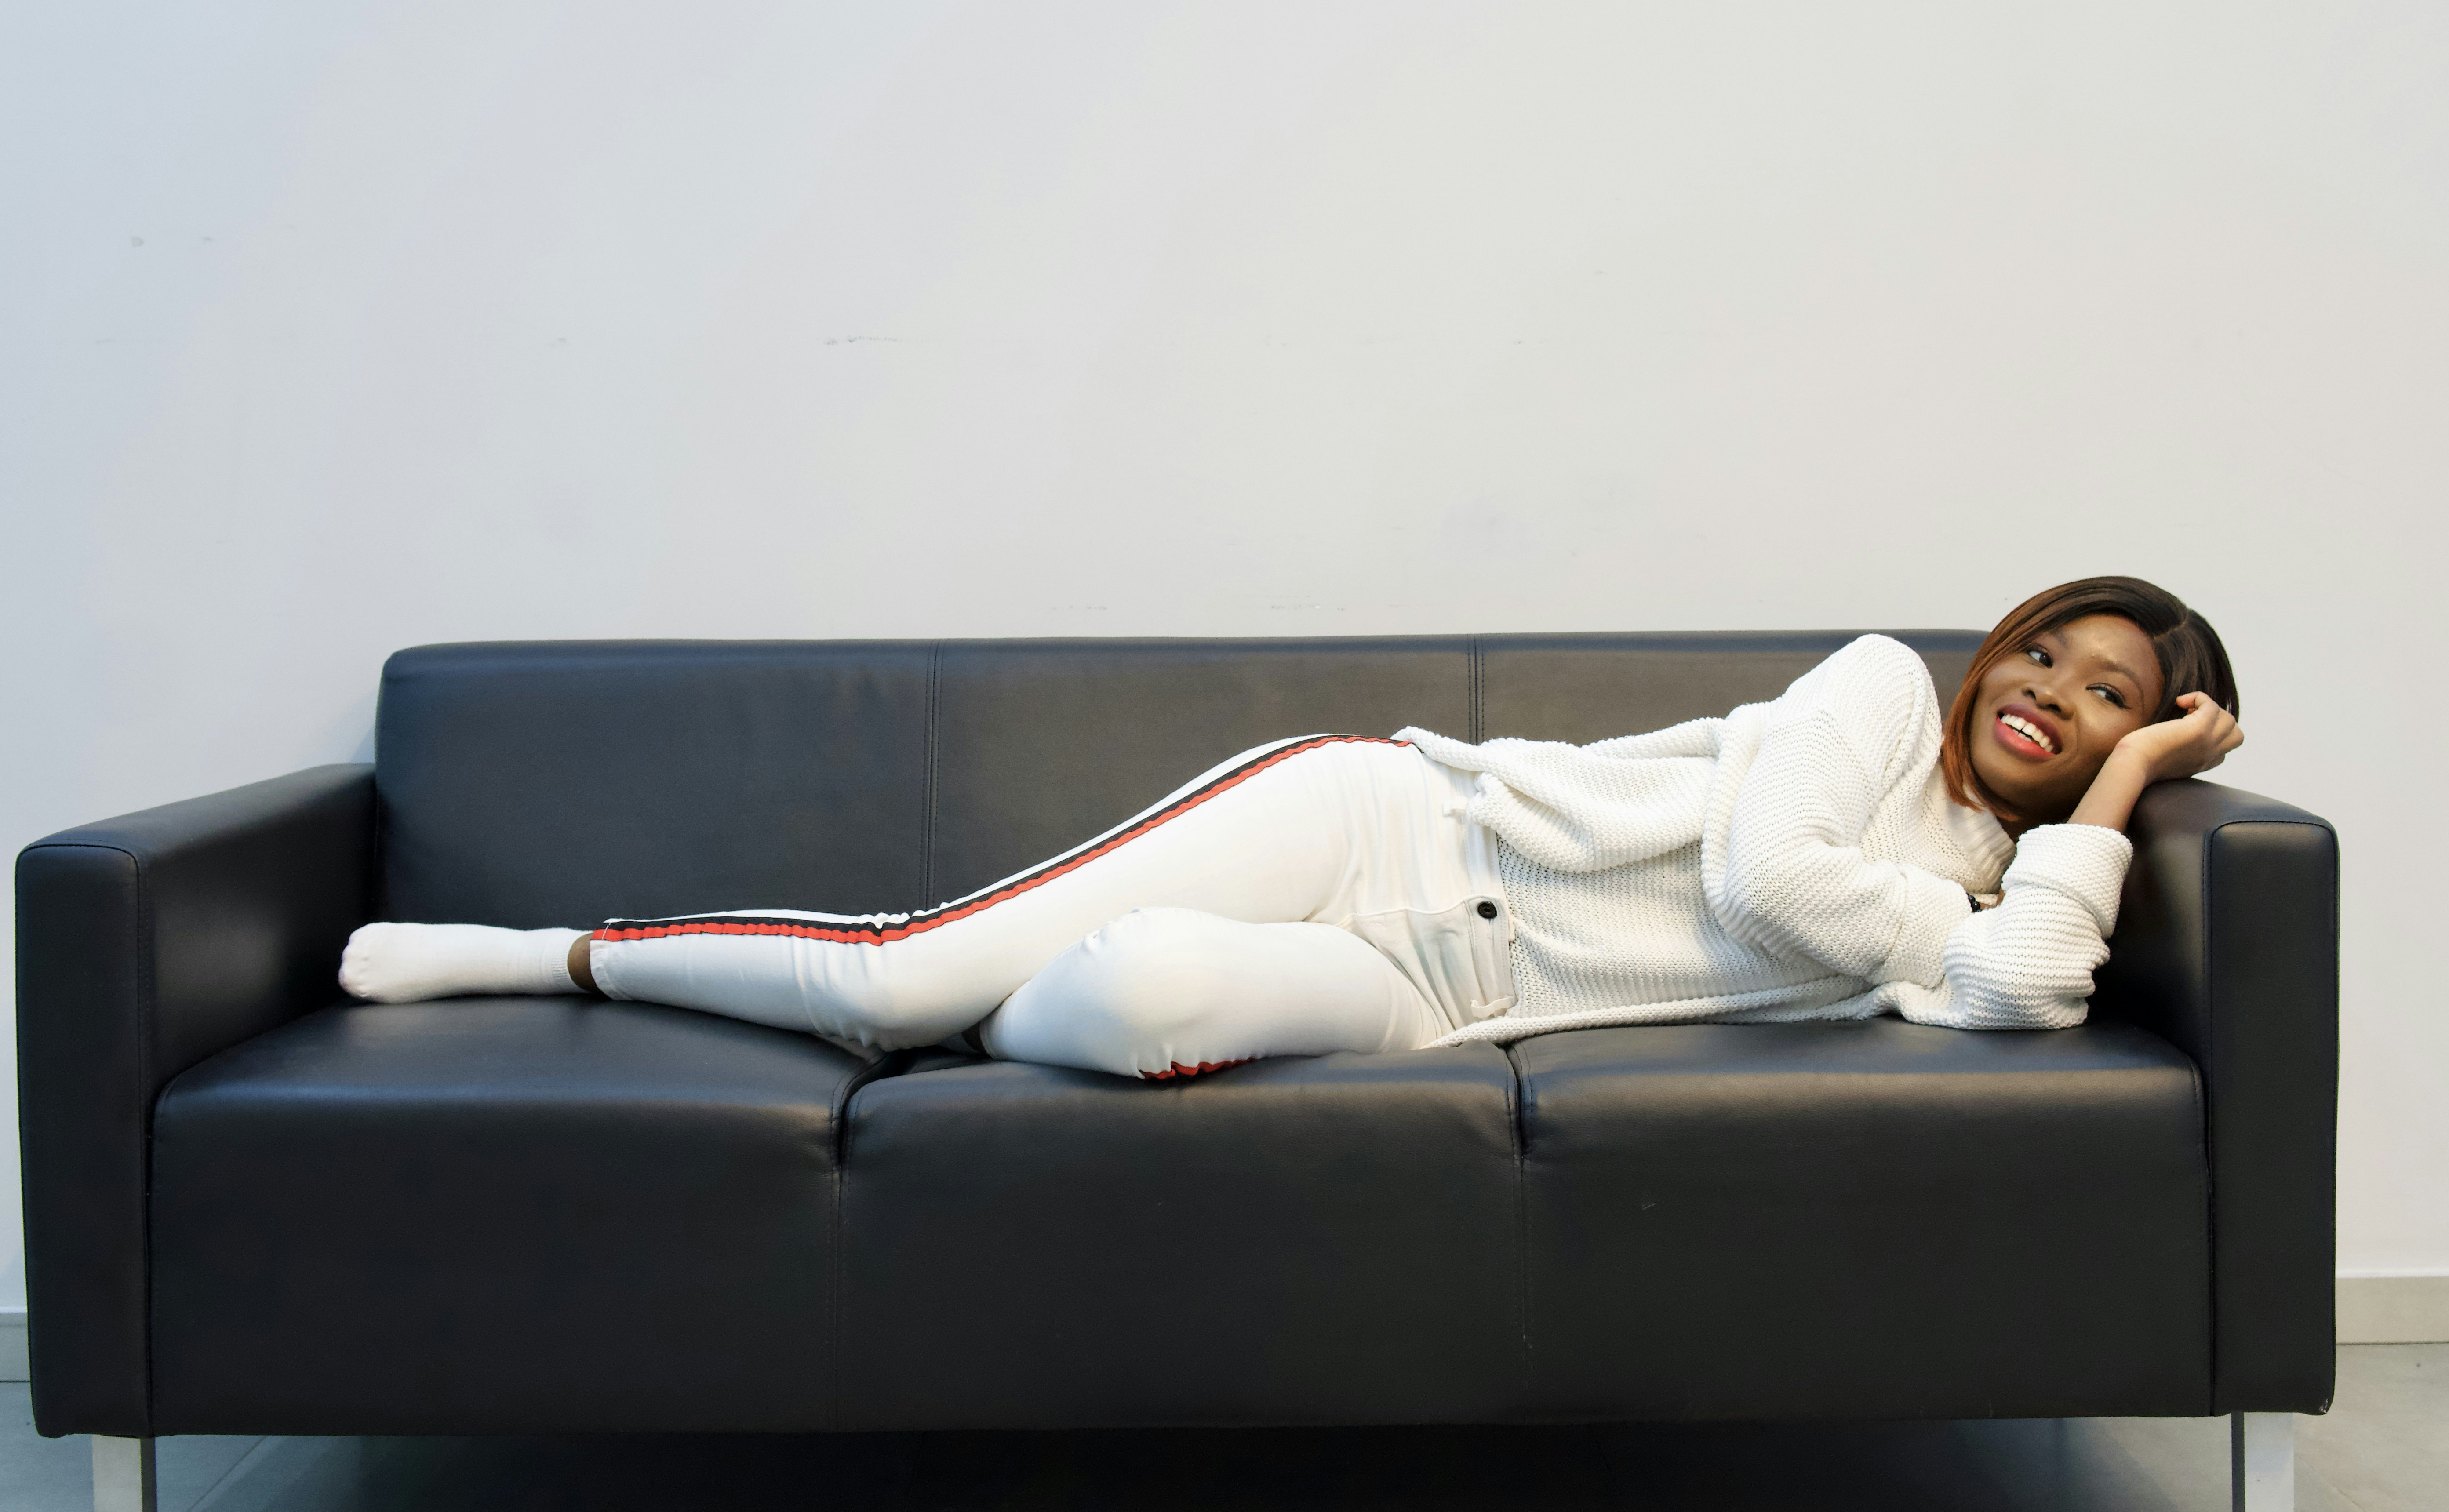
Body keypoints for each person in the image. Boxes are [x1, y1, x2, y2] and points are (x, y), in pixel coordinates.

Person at [339, 577, 2242, 1079]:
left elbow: (2022, 993)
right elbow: (1763, 885)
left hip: (1427, 1007)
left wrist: (2115, 808)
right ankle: (546, 952)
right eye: (2048, 656)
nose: (2050, 699)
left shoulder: (2012, 878)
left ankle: (985, 1016)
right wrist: (1907, 948)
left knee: (1147, 999)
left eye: (2105, 703)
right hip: (1378, 835)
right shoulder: (1867, 694)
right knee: (900, 983)